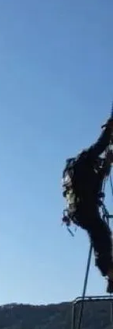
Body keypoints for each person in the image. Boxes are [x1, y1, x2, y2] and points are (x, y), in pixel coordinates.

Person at [63, 117, 113, 292]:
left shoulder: (80, 172)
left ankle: (108, 272)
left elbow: (96, 183)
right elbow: (101, 144)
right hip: (83, 209)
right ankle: (109, 271)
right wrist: (110, 128)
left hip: (79, 211)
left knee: (100, 233)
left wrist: (106, 165)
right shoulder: (84, 159)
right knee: (101, 234)